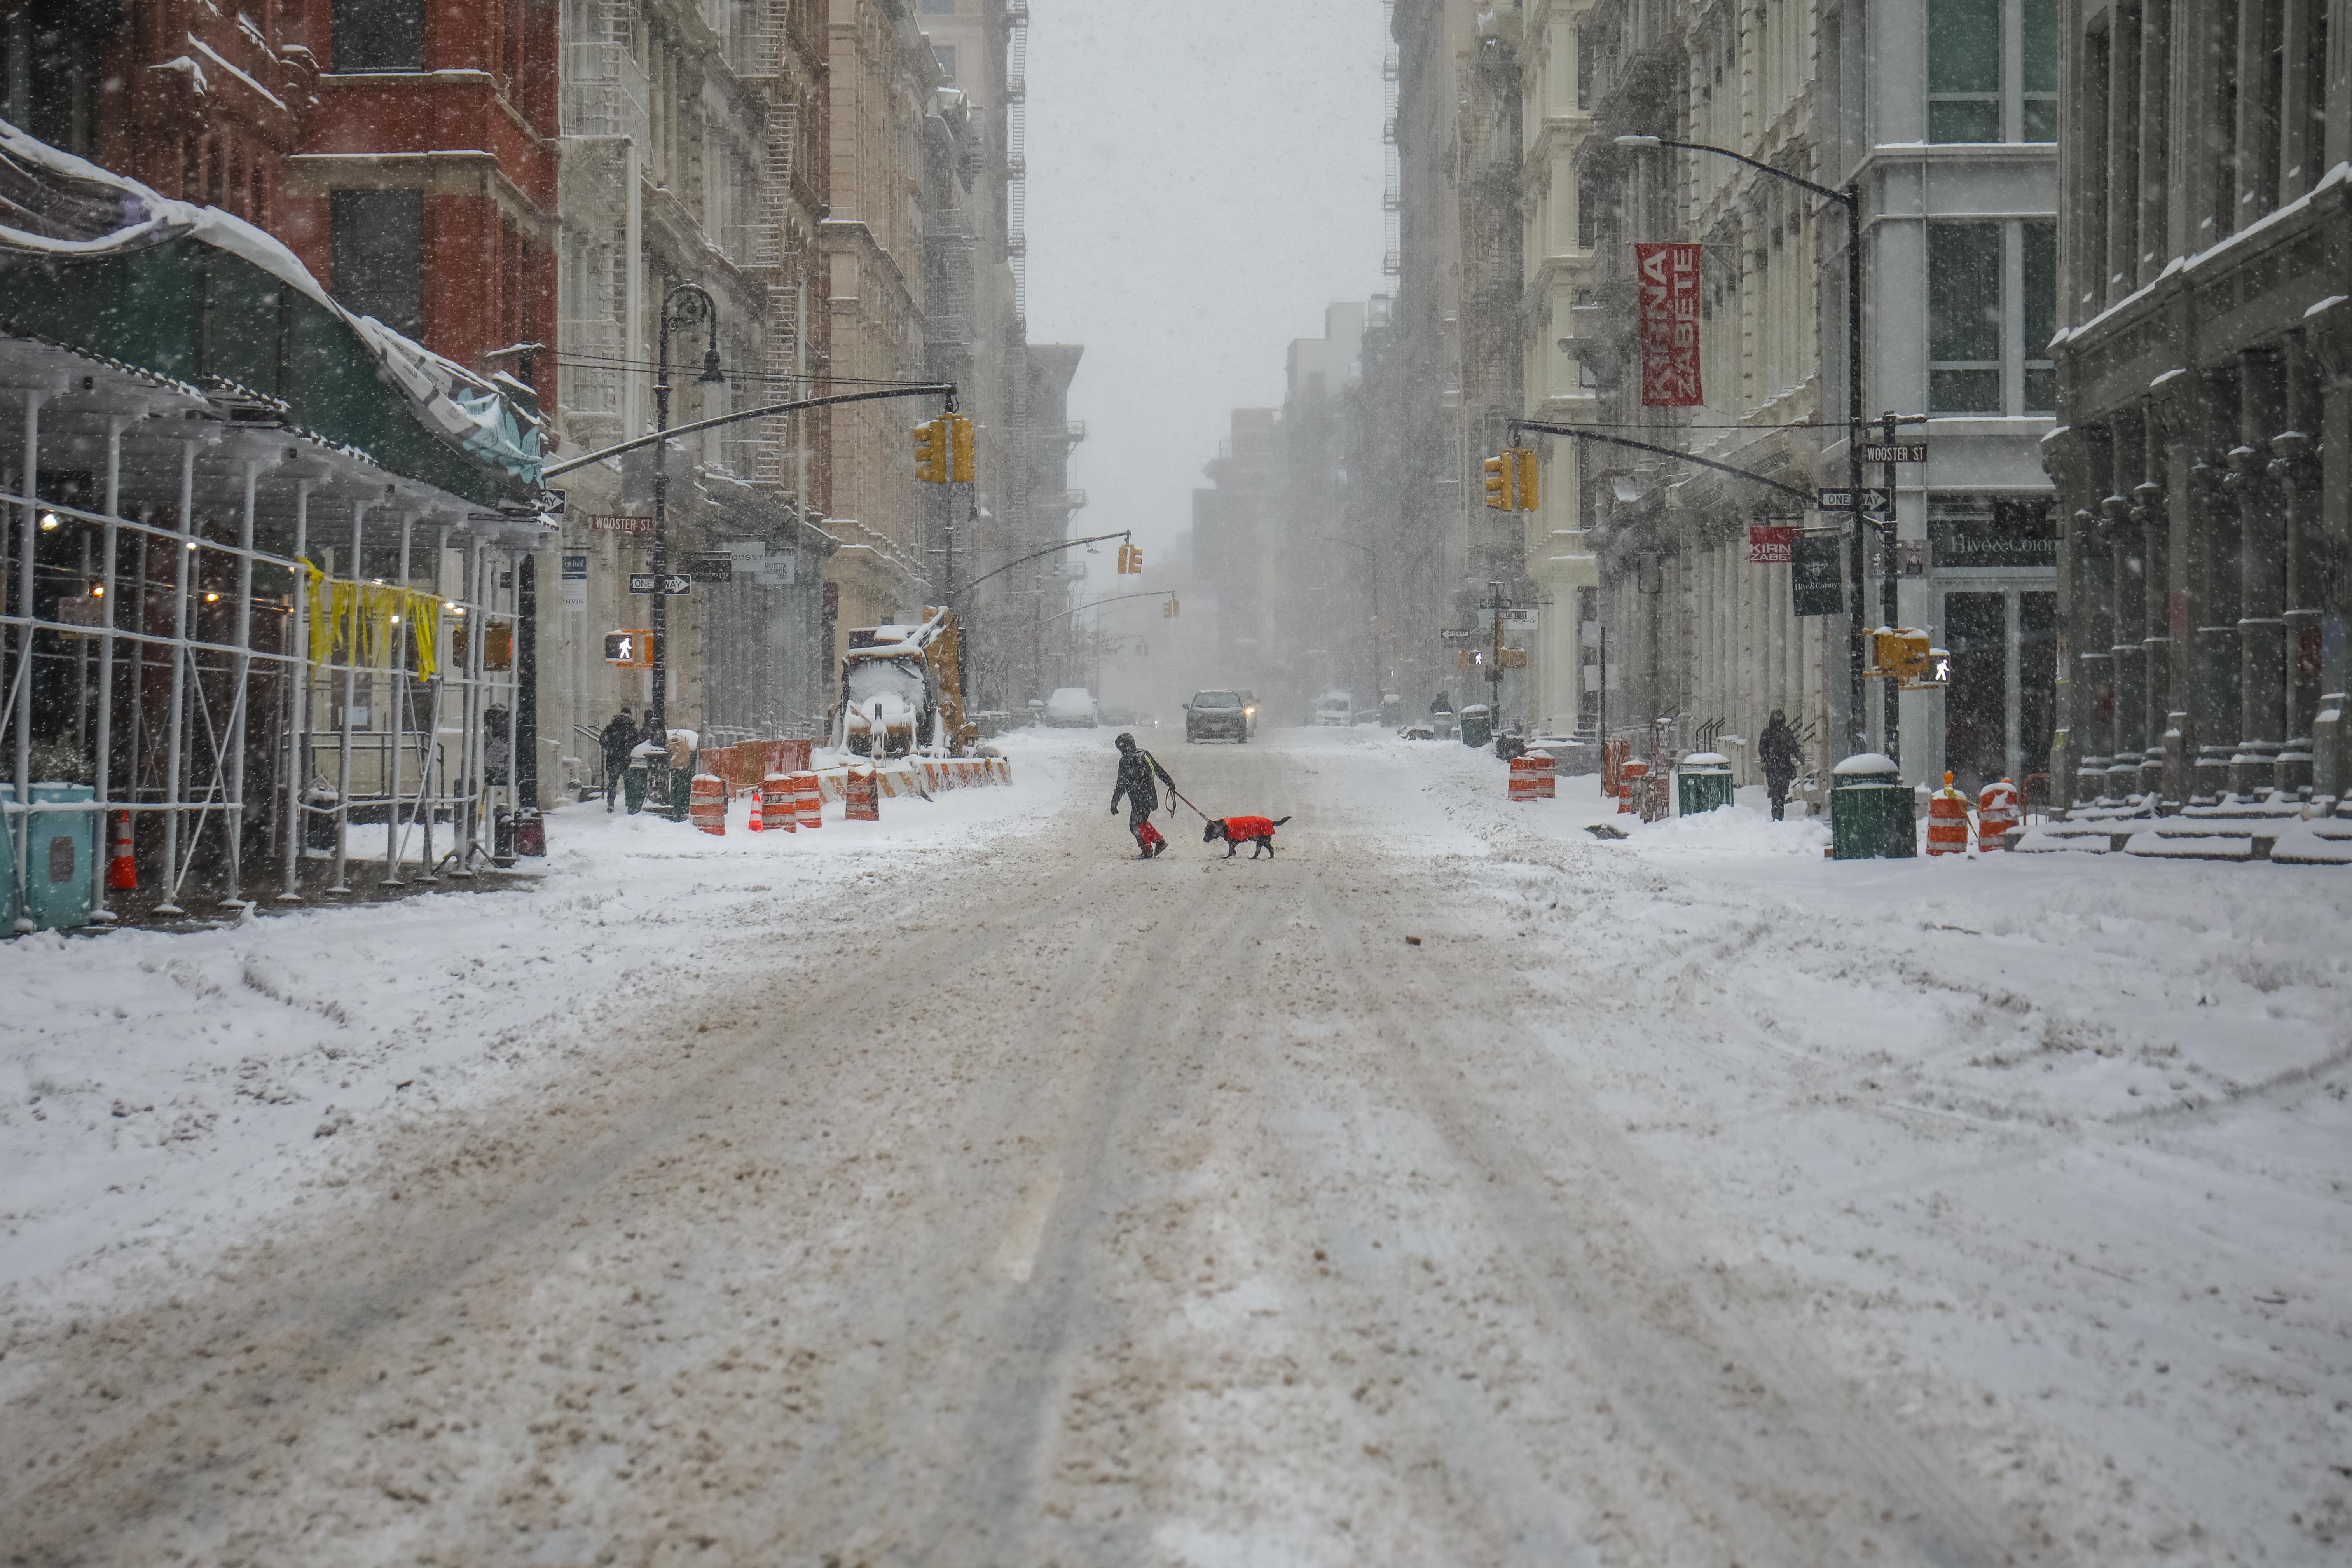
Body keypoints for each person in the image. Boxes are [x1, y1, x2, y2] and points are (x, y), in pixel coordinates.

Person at [1109, 731, 1177, 858]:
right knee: (1142, 822)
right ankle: (1159, 842)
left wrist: (1115, 802)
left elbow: (1121, 784)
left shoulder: (1126, 760)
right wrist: (1169, 782)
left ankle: (1147, 850)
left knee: (1134, 825)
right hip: (1150, 796)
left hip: (1139, 798)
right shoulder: (1144, 754)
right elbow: (1158, 770)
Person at [1759, 708, 1804, 821]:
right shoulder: (1770, 733)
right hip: (1777, 767)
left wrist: (1799, 756)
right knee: (1777, 792)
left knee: (1780, 792)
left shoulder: (1784, 733)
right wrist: (1767, 757)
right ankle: (1777, 814)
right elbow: (1763, 749)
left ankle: (1778, 814)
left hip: (1780, 767)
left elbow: (1793, 746)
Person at [599, 709, 637, 811]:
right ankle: (629, 802)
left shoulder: (611, 727)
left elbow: (602, 740)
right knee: (629, 782)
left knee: (612, 782)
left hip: (613, 759)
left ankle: (611, 803)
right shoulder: (631, 728)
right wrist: (628, 750)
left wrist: (612, 749)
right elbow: (636, 742)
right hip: (626, 759)